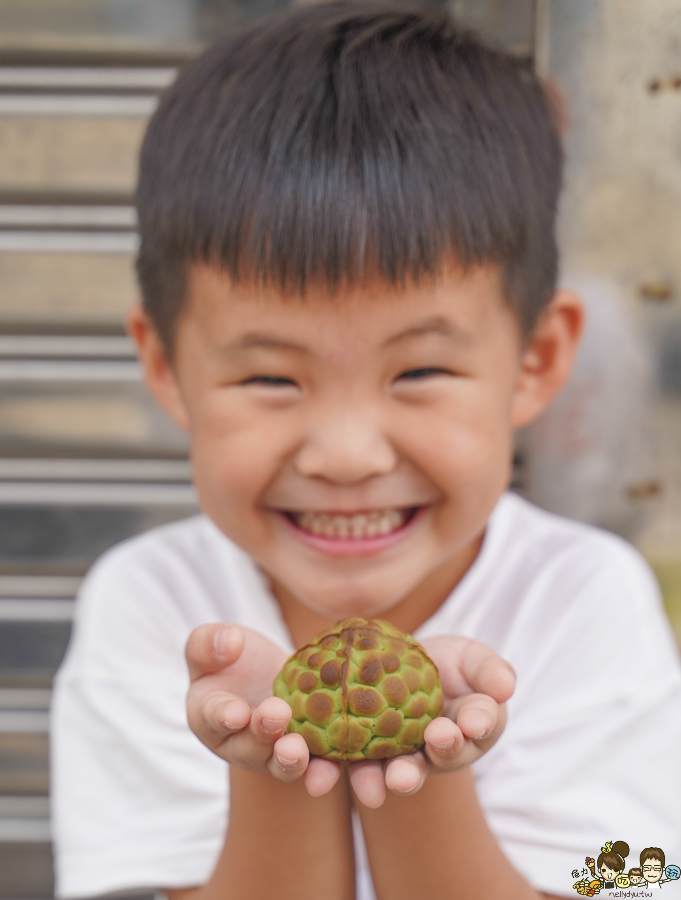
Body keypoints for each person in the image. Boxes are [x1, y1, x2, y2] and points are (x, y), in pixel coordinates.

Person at [50, 3, 681, 900]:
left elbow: (618, 882)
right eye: (271, 379)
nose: (346, 456)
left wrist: (417, 756)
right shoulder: (154, 611)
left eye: (418, 368)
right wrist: (276, 764)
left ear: (534, 361)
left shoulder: (586, 601)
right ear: (165, 365)